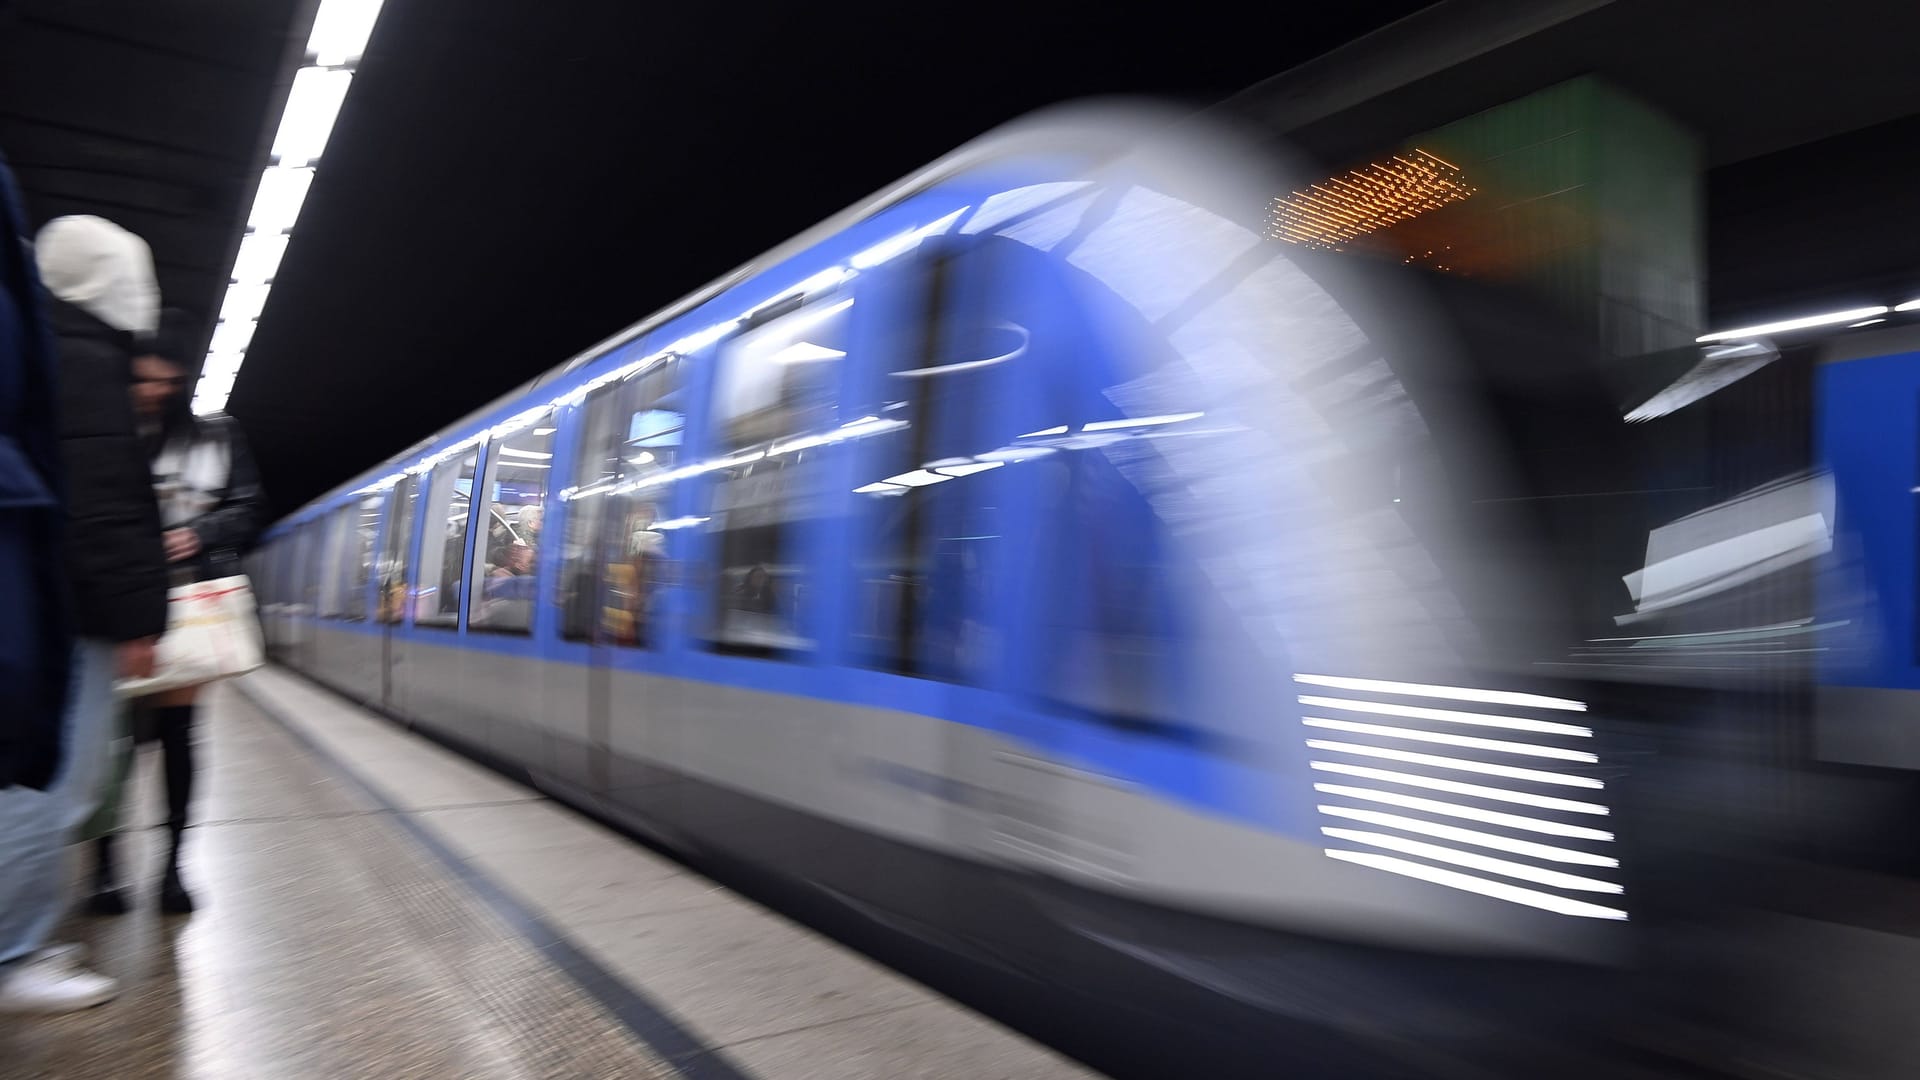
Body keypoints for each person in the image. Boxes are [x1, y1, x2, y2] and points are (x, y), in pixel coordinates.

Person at [0, 213, 168, 1013]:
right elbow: (104, 502)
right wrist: (138, 617)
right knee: (54, 779)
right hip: (75, 608)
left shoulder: (44, 346)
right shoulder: (90, 358)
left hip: (42, 593)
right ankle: (13, 951)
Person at [86, 308, 265, 915]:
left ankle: (172, 869)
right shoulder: (104, 434)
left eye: (165, 383)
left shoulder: (218, 435)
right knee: (110, 745)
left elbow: (248, 506)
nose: (152, 393)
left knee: (178, 740)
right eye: (142, 380)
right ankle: (105, 869)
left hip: (190, 605)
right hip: (114, 603)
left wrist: (200, 531)